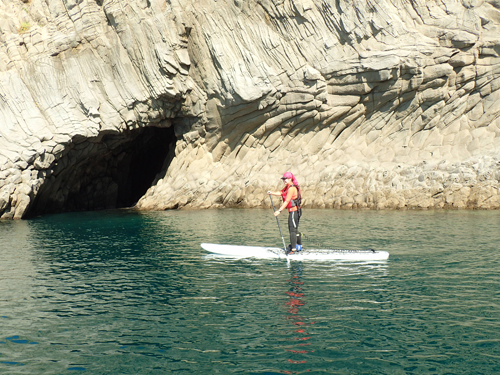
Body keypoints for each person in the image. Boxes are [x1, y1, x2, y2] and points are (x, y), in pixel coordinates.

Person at [267, 172, 302, 254]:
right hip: (293, 212)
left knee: (292, 230)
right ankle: (299, 245)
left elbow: (286, 201)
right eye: (283, 179)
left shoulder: (291, 188)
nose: (284, 180)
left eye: (285, 179)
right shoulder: (287, 187)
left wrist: (279, 211)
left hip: (294, 212)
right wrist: (271, 193)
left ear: (290, 179)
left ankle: (293, 249)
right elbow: (281, 193)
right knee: (294, 229)